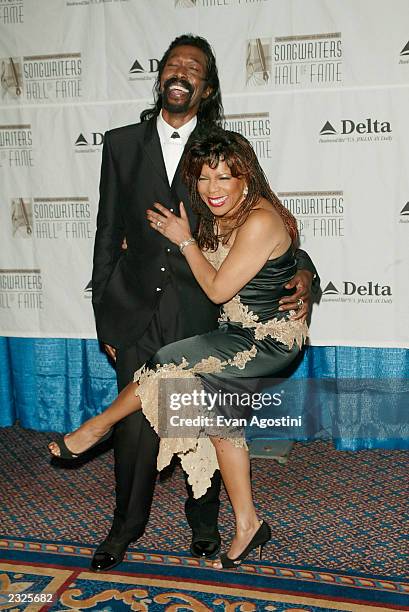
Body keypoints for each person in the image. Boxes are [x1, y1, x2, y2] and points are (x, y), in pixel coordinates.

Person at [84, 34, 318, 572]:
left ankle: (206, 527)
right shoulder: (120, 144)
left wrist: (306, 275)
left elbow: (272, 226)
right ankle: (125, 529)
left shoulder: (221, 149)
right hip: (135, 309)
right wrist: (105, 315)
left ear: (206, 86)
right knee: (137, 425)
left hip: (204, 312)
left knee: (202, 420)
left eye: (193, 66)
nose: (180, 70)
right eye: (172, 63)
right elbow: (105, 232)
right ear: (160, 74)